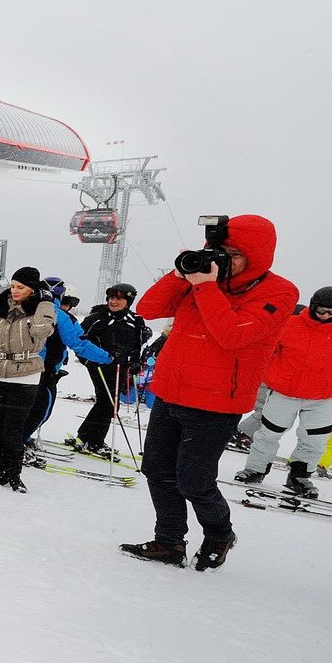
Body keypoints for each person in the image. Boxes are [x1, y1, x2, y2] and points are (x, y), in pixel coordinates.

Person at [122, 214, 297, 571]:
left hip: (217, 402)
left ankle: (219, 533)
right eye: (219, 251)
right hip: (171, 391)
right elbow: (148, 309)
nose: (223, 260)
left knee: (194, 480)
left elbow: (233, 335)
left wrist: (205, 287)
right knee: (157, 470)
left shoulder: (279, 291)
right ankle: (169, 541)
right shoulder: (199, 277)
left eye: (234, 254)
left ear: (258, 257)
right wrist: (179, 275)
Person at [232, 287, 332, 496]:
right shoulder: (289, 323)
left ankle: (299, 477)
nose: (325, 316)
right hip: (284, 393)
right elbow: (263, 350)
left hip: (325, 399)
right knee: (268, 434)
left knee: (314, 441)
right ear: (313, 305)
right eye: (321, 310)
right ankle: (255, 469)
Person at [0, 267, 57, 492]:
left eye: (20, 287)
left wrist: (46, 302)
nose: (15, 291)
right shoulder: (0, 310)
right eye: (12, 286)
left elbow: (42, 331)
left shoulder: (41, 310)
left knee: (13, 430)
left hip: (26, 376)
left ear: (33, 289)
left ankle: (14, 475)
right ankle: (1, 471)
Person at [18, 277, 110, 450]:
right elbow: (80, 344)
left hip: (16, 367)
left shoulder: (23, 309)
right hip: (43, 370)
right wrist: (108, 357)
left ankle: (7, 437)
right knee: (41, 410)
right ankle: (15, 443)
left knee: (16, 407)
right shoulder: (61, 316)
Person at [72, 282, 146, 458]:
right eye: (112, 298)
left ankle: (85, 436)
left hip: (121, 367)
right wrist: (89, 361)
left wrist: (136, 363)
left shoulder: (136, 321)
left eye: (119, 298)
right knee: (108, 402)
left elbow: (138, 347)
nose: (114, 301)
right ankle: (94, 441)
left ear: (128, 301)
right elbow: (78, 342)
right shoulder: (97, 318)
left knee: (109, 402)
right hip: (99, 366)